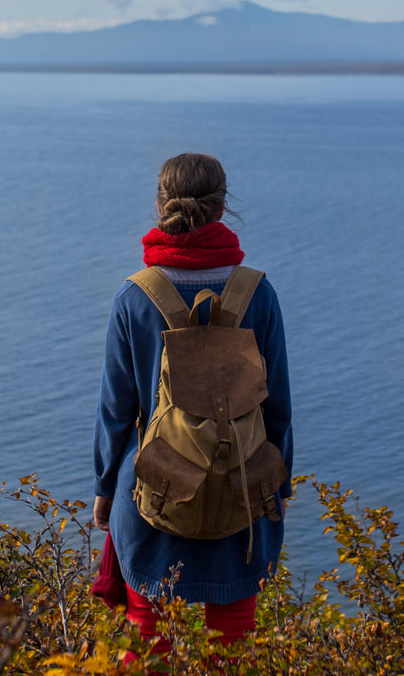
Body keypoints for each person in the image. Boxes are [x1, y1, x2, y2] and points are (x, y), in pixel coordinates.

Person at [92, 152, 293, 657]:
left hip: (155, 494)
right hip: (241, 491)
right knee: (231, 648)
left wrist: (102, 487)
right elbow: (279, 407)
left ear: (161, 205)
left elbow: (116, 411)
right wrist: (279, 487)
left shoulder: (135, 297)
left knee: (148, 646)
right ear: (224, 208)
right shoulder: (258, 294)